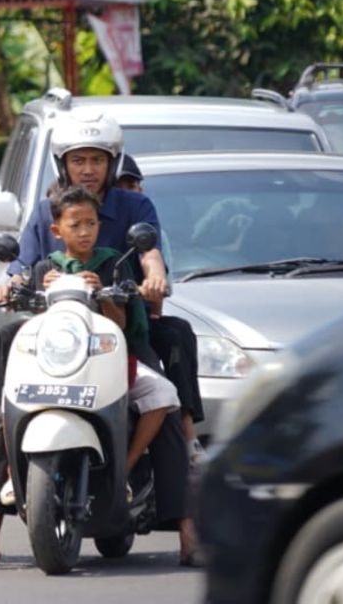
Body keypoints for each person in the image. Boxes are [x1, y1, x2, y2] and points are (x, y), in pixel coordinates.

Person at [0, 110, 200, 568]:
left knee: (161, 400)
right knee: (10, 383)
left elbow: (149, 255)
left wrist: (155, 278)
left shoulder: (133, 207)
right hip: (58, 335)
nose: (88, 168)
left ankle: (188, 533)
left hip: (117, 330)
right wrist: (9, 283)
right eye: (78, 159)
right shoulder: (46, 211)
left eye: (97, 159)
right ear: (62, 164)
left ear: (113, 161)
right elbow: (21, 264)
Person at [28, 186, 179, 477]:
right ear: (57, 231)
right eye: (75, 225)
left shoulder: (113, 263)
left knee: (163, 393)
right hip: (58, 365)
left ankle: (126, 465)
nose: (85, 232)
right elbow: (38, 323)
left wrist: (104, 294)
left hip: (104, 360)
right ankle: (11, 474)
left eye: (91, 224)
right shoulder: (46, 268)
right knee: (10, 396)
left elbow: (120, 324)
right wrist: (44, 292)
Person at [115, 155, 206, 463]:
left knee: (176, 333)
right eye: (123, 185)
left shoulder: (148, 233)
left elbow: (157, 290)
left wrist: (151, 286)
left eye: (134, 184)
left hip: (136, 320)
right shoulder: (78, 223)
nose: (131, 191)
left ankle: (185, 430)